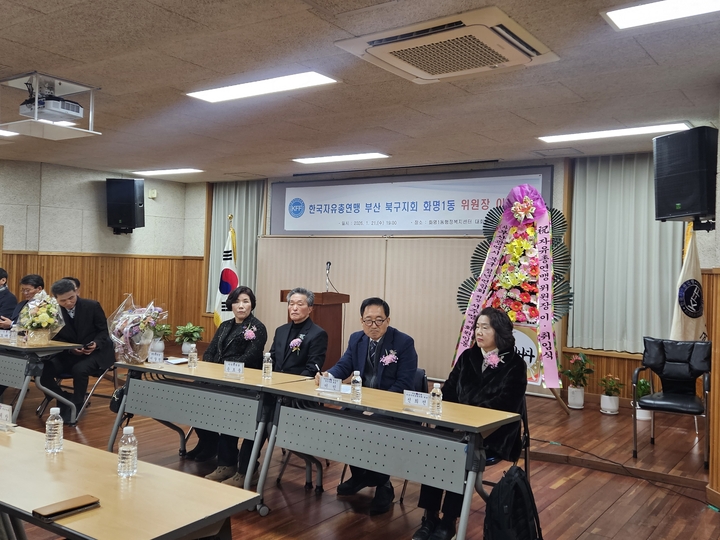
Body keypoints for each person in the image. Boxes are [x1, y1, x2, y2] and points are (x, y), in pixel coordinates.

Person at [412, 307, 527, 540]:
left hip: (494, 433)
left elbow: (506, 406)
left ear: (500, 332)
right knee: (435, 446)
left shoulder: (515, 364)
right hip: (459, 426)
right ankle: (430, 516)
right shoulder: (468, 356)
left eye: (485, 327)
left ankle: (449, 521)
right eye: (477, 327)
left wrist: (467, 418)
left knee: (461, 452)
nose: (479, 332)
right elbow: (449, 391)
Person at [316, 297, 417, 515]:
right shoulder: (357, 339)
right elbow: (344, 365)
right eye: (368, 320)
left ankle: (383, 485)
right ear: (361, 321)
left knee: (374, 427)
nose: (373, 325)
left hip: (391, 406)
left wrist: (377, 406)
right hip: (360, 402)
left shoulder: (403, 343)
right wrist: (328, 376)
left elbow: (404, 384)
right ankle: (360, 475)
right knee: (343, 421)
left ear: (388, 320)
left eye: (379, 320)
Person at [220, 287, 328, 488]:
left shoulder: (317, 334)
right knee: (236, 406)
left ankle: (246, 471)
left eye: (300, 304)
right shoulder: (281, 330)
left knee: (262, 415)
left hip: (294, 396)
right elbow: (270, 360)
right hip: (271, 391)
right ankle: (227, 463)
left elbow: (312, 369)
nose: (294, 308)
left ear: (310, 308)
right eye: (291, 304)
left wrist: (284, 386)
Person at [189, 286, 268, 478]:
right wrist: (213, 369)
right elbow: (210, 351)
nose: (241, 306)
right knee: (192, 397)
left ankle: (227, 462)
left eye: (245, 301)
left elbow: (249, 358)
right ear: (231, 305)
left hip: (241, 383)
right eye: (237, 302)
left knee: (227, 412)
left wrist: (223, 370)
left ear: (252, 305)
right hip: (219, 378)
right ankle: (209, 443)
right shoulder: (225, 325)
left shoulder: (257, 328)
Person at [39, 279, 115, 423]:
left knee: (80, 370)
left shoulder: (92, 306)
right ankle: (64, 398)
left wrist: (96, 344)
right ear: (56, 299)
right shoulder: (52, 312)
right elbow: (55, 337)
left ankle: (77, 404)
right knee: (42, 369)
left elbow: (104, 331)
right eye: (63, 301)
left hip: (95, 353)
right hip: (67, 353)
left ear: (77, 292)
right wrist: (70, 349)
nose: (68, 302)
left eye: (71, 298)